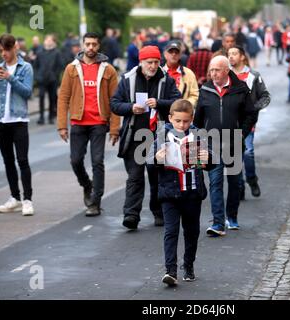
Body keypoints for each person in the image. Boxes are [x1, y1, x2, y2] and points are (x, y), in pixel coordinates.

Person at [110, 45, 181, 230]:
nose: (153, 66)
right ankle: (131, 215)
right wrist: (131, 107)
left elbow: (178, 103)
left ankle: (158, 213)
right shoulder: (128, 79)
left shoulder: (167, 80)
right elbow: (115, 104)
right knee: (135, 177)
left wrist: (160, 103)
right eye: (149, 62)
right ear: (141, 62)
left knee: (157, 177)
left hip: (158, 136)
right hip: (134, 136)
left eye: (156, 62)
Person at [57, 32, 120, 216]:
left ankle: (95, 202)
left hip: (99, 122)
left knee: (97, 162)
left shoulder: (108, 70)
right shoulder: (71, 69)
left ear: (98, 46)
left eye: (94, 44)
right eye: (88, 44)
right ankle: (87, 185)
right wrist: (62, 125)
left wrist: (115, 128)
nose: (91, 47)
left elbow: (115, 100)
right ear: (82, 45)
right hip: (78, 122)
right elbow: (63, 98)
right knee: (75, 161)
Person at [194, 55, 257, 236]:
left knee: (235, 182)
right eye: (211, 70)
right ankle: (218, 223)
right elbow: (198, 119)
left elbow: (250, 114)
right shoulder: (205, 89)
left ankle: (232, 216)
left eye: (217, 70)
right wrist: (197, 143)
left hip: (233, 143)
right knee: (215, 182)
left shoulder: (240, 89)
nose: (213, 74)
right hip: (212, 143)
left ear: (226, 71)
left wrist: (242, 133)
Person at [151, 99, 211, 286]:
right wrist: (156, 159)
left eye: (185, 121)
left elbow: (210, 162)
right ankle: (170, 271)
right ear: (170, 118)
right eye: (178, 121)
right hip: (170, 193)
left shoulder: (197, 135)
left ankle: (189, 265)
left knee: (191, 232)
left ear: (191, 119)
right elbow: (150, 164)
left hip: (192, 193)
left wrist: (208, 159)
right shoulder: (162, 136)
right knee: (171, 231)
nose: (182, 125)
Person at [0, 34, 35, 216]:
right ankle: (14, 197)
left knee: (22, 161)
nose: (3, 54)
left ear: (14, 47)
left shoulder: (26, 68)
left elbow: (27, 92)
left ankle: (28, 200)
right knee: (8, 161)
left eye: (6, 50)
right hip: (1, 120)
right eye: (0, 51)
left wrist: (10, 77)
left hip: (19, 120)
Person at [228, 45, 271, 200]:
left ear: (242, 57)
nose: (231, 57)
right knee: (234, 156)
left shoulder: (253, 75)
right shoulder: (226, 75)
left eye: (234, 54)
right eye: (229, 54)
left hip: (247, 123)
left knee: (247, 152)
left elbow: (265, 96)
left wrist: (254, 109)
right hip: (230, 123)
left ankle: (252, 180)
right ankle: (239, 186)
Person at [35, 34, 63, 125]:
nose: (48, 41)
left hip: (52, 80)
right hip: (42, 79)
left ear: (53, 42)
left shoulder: (57, 52)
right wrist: (37, 76)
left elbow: (60, 66)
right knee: (41, 97)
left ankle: (51, 116)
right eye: (47, 40)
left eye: (50, 40)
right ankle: (41, 117)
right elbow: (35, 65)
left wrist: (55, 75)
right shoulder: (40, 52)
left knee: (52, 98)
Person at [162, 41, 199, 108]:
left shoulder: (188, 73)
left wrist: (184, 106)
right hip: (162, 112)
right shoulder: (160, 72)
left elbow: (195, 95)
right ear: (165, 54)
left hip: (183, 113)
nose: (174, 54)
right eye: (171, 52)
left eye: (176, 52)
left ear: (180, 55)